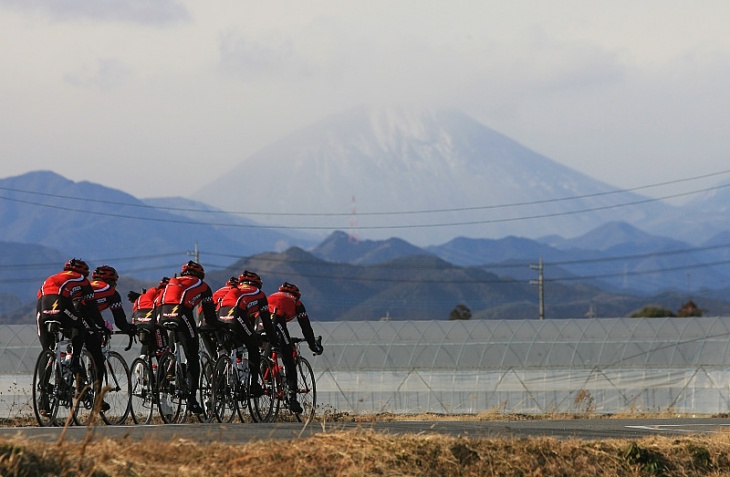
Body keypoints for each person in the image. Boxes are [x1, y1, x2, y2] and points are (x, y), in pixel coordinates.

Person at [36, 259, 106, 412]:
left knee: (47, 351)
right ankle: (74, 360)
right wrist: (101, 326)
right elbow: (93, 309)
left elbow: (41, 298)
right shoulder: (82, 280)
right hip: (60, 303)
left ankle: (43, 399)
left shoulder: (52, 278)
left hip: (42, 306)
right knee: (79, 325)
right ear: (84, 273)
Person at [157, 260, 218, 415]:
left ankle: (170, 369)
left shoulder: (173, 281)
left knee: (174, 340)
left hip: (161, 313)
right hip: (182, 313)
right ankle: (191, 399)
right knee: (192, 355)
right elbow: (210, 315)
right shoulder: (202, 285)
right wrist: (216, 328)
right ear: (200, 275)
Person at [217, 270, 277, 397]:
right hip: (237, 314)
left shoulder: (235, 289)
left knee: (226, 348)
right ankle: (254, 385)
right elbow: (266, 321)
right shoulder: (259, 294)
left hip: (221, 314)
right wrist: (273, 339)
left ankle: (219, 382)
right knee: (253, 346)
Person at [266, 282, 323, 413]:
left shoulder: (271, 296)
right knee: (288, 359)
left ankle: (266, 377)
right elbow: (306, 328)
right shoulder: (296, 302)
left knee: (267, 347)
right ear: (296, 295)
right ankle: (292, 397)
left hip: (259, 322)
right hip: (276, 321)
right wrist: (313, 346)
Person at [87, 265, 136, 410]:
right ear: (110, 281)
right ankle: (97, 398)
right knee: (98, 361)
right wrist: (130, 329)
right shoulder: (111, 292)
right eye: (114, 282)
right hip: (84, 318)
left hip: (63, 313)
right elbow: (120, 322)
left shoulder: (85, 285)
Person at [128, 277, 170, 362]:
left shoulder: (149, 293)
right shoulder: (165, 294)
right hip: (152, 322)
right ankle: (163, 371)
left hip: (137, 322)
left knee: (147, 341)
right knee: (162, 349)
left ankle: (142, 360)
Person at [199, 276, 239, 359]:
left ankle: (213, 358)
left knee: (205, 332)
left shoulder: (219, 291)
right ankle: (224, 355)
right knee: (224, 332)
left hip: (203, 313)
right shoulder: (235, 292)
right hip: (217, 313)